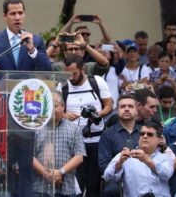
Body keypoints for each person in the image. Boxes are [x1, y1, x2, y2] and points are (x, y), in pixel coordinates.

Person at [0, 0, 52, 196]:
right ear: (5, 16)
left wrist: (32, 50)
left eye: (20, 13)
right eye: (13, 13)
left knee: (25, 162)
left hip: (27, 111)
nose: (17, 17)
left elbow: (48, 70)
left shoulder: (36, 40)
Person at [62, 54, 112, 197]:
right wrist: (66, 115)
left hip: (97, 140)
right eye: (67, 74)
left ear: (83, 69)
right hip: (74, 142)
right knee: (76, 184)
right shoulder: (64, 86)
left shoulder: (97, 82)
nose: (71, 77)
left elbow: (109, 105)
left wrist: (98, 115)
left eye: (74, 73)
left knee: (94, 184)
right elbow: (57, 110)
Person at [33, 92, 86, 197]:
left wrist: (60, 172)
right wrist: (47, 175)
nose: (52, 109)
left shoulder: (74, 128)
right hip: (40, 187)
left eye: (55, 106)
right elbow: (29, 156)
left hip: (66, 187)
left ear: (63, 106)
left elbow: (79, 156)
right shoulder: (36, 127)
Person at [104, 121, 174, 197]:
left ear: (159, 139)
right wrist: (119, 162)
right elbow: (107, 177)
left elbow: (167, 174)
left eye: (150, 134)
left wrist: (146, 160)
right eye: (142, 134)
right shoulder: (125, 156)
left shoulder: (165, 157)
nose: (145, 136)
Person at [98, 94, 141, 197]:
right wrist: (119, 163)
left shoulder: (144, 132)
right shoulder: (107, 134)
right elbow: (104, 166)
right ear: (117, 110)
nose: (126, 109)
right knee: (110, 191)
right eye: (122, 106)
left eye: (130, 106)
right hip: (117, 179)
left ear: (137, 110)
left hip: (141, 176)